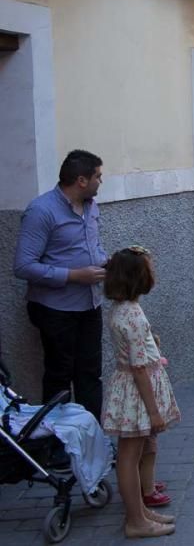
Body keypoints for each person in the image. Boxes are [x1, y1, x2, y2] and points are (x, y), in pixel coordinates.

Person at [14, 149, 109, 420]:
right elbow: (23, 266)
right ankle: (57, 444)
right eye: (97, 177)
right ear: (81, 180)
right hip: (55, 310)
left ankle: (93, 441)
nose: (100, 182)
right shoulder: (41, 211)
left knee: (90, 374)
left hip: (90, 304)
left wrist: (109, 263)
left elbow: (93, 247)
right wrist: (73, 275)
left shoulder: (92, 206)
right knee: (59, 375)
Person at [102, 246, 180, 538]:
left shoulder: (126, 309)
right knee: (129, 455)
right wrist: (154, 411)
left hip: (132, 390)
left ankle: (141, 512)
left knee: (131, 454)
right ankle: (135, 520)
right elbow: (138, 368)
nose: (154, 273)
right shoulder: (131, 316)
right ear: (138, 277)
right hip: (136, 395)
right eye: (150, 269)